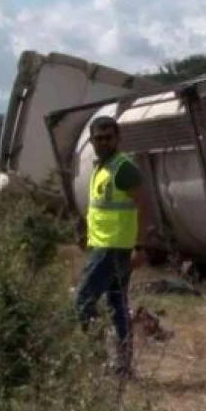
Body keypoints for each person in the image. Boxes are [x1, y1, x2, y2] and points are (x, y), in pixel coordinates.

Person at [73, 115, 153, 378]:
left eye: (109, 137)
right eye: (99, 138)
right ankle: (122, 364)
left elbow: (143, 205)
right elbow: (100, 208)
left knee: (83, 302)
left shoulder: (123, 168)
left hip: (113, 249)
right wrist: (86, 232)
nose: (104, 142)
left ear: (118, 139)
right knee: (116, 303)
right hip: (105, 245)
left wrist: (139, 246)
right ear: (92, 141)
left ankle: (97, 360)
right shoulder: (103, 168)